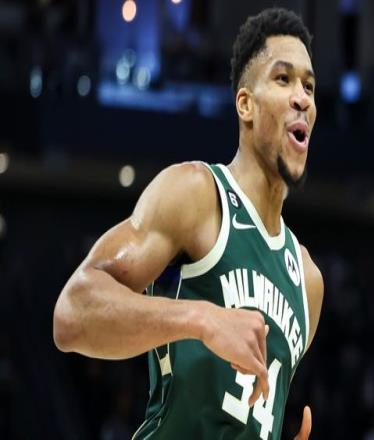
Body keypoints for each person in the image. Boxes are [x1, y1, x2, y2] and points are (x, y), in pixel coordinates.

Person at [53, 7, 323, 440]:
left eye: (309, 86)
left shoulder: (308, 282)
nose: (302, 98)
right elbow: (73, 313)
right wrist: (202, 319)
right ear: (246, 104)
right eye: (283, 79)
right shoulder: (198, 195)